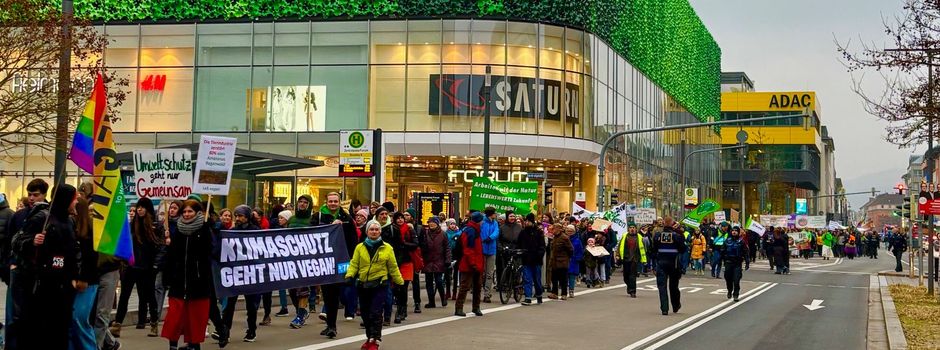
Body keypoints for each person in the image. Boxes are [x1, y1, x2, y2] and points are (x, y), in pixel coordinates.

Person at [12, 183, 80, 349]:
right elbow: (17, 242)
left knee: (59, 332)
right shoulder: (42, 218)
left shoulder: (70, 221)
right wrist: (32, 241)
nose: (76, 203)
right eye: (74, 199)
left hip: (62, 289)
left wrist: (75, 276)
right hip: (41, 289)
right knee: (39, 332)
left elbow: (72, 252)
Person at [161, 200, 214, 350]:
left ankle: (194, 344)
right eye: (184, 212)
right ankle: (172, 344)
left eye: (190, 211)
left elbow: (210, 252)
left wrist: (204, 234)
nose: (186, 214)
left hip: (198, 282)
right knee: (174, 317)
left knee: (195, 318)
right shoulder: (177, 229)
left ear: (197, 213)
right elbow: (171, 256)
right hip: (178, 281)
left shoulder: (204, 230)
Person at [346, 220, 404, 350]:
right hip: (363, 284)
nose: (374, 232)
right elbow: (354, 263)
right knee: (365, 314)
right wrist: (349, 276)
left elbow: (393, 267)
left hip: (380, 284)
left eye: (376, 230)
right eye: (371, 229)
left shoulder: (387, 248)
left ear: (380, 232)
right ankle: (369, 337)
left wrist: (399, 282)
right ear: (367, 232)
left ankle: (375, 341)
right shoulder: (359, 247)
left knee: (375, 312)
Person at [113, 197, 162, 337]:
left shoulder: (155, 226)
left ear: (148, 209)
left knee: (150, 296)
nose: (139, 210)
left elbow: (160, 248)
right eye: (138, 207)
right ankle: (117, 324)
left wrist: (155, 265)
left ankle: (153, 323)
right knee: (124, 296)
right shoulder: (132, 225)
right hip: (131, 266)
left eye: (142, 207)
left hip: (147, 267)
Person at [313, 192, 354, 339]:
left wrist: (350, 262)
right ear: (326, 202)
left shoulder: (346, 217)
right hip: (323, 261)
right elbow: (310, 236)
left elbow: (352, 240)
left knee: (334, 293)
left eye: (335, 201)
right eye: (330, 201)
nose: (333, 204)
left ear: (339, 202)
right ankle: (330, 324)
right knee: (326, 293)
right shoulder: (317, 217)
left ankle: (332, 326)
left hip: (339, 261)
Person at [219, 205, 262, 344]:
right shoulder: (232, 231)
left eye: (241, 216)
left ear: (247, 217)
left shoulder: (255, 231)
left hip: (250, 272)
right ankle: (225, 331)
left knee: (251, 305)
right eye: (236, 216)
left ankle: (251, 330)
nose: (237, 218)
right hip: (235, 272)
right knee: (229, 304)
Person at [70, 197, 99, 350]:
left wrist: (82, 278)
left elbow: (90, 258)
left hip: (87, 282)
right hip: (73, 281)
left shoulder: (89, 231)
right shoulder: (70, 226)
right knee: (71, 321)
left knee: (79, 319)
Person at [651, 217, 686, 315]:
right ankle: (675, 305)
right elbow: (683, 249)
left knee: (662, 286)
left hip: (661, 263)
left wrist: (654, 263)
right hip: (673, 264)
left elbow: (653, 250)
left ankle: (664, 309)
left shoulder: (658, 235)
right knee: (673, 286)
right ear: (672, 224)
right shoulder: (676, 236)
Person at [454, 211, 484, 317]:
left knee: (477, 286)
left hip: (475, 262)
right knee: (465, 286)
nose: (483, 222)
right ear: (478, 221)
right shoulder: (471, 231)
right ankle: (459, 308)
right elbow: (468, 249)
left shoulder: (473, 229)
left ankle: (476, 307)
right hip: (470, 263)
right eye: (482, 220)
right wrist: (473, 263)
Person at [421, 217, 450, 309]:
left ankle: (443, 298)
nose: (431, 224)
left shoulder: (443, 234)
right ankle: (431, 301)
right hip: (428, 260)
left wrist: (448, 260)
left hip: (439, 260)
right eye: (430, 222)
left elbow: (447, 248)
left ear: (437, 224)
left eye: (433, 222)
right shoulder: (425, 234)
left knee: (439, 281)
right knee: (428, 282)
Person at [518, 213, 545, 305]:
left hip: (536, 259)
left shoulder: (538, 232)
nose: (526, 223)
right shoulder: (523, 232)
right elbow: (519, 244)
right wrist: (520, 252)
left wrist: (539, 255)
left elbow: (542, 246)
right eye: (526, 221)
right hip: (526, 259)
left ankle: (539, 295)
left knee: (537, 279)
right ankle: (528, 297)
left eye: (528, 221)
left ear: (532, 222)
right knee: (527, 278)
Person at [616, 222, 646, 297]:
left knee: (632, 276)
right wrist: (617, 255)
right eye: (630, 227)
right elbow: (619, 246)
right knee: (626, 276)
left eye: (633, 227)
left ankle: (633, 291)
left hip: (634, 259)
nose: (632, 229)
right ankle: (630, 287)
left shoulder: (639, 237)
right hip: (626, 258)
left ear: (636, 229)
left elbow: (643, 249)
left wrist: (644, 260)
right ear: (628, 229)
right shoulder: (624, 236)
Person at [722, 227, 750, 302]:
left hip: (737, 263)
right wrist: (721, 260)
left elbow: (746, 253)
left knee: (736, 280)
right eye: (733, 231)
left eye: (736, 231)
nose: (734, 232)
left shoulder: (741, 242)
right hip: (728, 262)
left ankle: (736, 294)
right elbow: (722, 251)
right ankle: (729, 290)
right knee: (728, 279)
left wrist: (747, 262)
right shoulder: (727, 241)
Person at [479, 207, 499, 304]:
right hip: (482, 250)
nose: (496, 215)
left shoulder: (495, 223)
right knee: (481, 272)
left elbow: (496, 232)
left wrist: (490, 238)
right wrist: (484, 239)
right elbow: (480, 233)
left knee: (489, 274)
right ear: (491, 214)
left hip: (491, 250)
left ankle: (487, 294)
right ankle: (478, 292)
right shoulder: (482, 222)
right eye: (495, 213)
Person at [549, 224, 573, 300]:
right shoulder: (554, 237)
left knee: (563, 279)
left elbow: (571, 249)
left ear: (558, 229)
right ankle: (554, 293)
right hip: (554, 261)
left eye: (554, 229)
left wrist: (567, 258)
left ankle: (564, 294)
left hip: (562, 262)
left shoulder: (564, 238)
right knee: (554, 278)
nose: (552, 230)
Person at [444, 218, 461, 301]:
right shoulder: (445, 234)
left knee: (456, 274)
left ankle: (454, 292)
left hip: (456, 254)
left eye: (454, 224)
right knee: (447, 274)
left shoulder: (459, 233)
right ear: (448, 225)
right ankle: (448, 292)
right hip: (448, 255)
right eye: (451, 224)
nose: (453, 225)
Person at [567, 224, 583, 298]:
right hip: (565, 260)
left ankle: (571, 291)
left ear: (574, 231)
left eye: (571, 231)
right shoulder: (565, 238)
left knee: (571, 277)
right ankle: (564, 291)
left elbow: (580, 251)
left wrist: (578, 258)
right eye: (568, 231)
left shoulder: (577, 240)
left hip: (573, 260)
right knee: (564, 276)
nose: (569, 232)